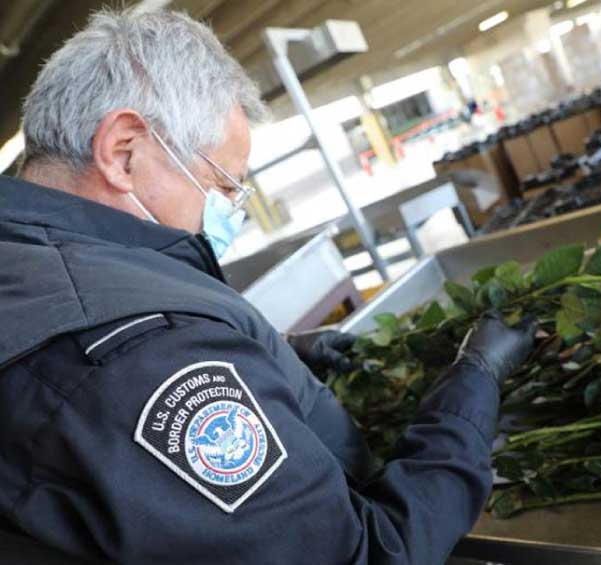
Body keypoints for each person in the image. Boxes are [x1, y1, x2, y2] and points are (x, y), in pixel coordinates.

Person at [0, 9, 536, 564]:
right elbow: (365, 554)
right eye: (224, 184)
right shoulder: (143, 356)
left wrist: (273, 358)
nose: (231, 210)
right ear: (124, 150)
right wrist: (473, 388)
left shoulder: (24, 254)